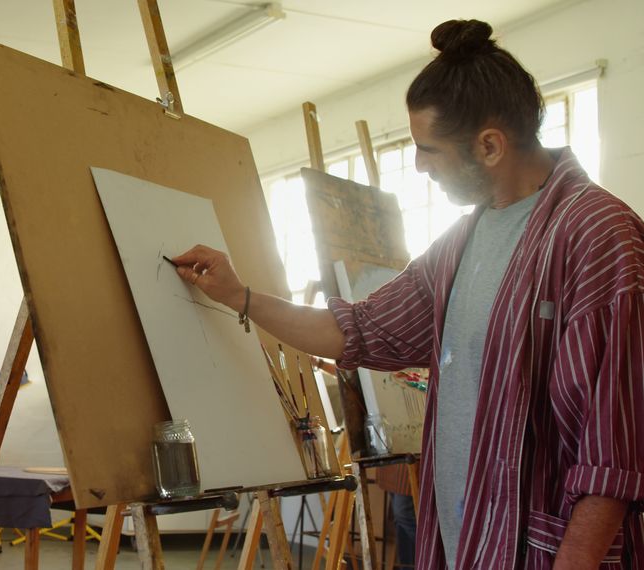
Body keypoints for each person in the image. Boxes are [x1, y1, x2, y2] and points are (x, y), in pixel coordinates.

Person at [172, 19, 644, 570]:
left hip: (540, 551)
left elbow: (615, 445)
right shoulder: (461, 242)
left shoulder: (598, 235)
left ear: (489, 145)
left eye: (429, 149)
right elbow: (358, 329)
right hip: (465, 540)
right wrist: (240, 296)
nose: (419, 165)